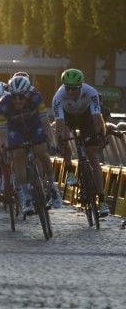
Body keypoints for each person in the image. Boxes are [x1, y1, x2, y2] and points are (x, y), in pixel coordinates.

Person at [0, 76, 60, 216]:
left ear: (28, 94)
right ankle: (26, 196)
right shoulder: (4, 104)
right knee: (17, 155)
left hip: (34, 124)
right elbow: (2, 130)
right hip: (15, 128)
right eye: (14, 97)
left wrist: (52, 142)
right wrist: (4, 147)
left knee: (41, 151)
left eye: (21, 97)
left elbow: (45, 122)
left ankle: (52, 186)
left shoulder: (36, 98)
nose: (18, 100)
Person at [53, 68, 109, 217]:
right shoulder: (59, 97)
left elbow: (97, 118)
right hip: (68, 117)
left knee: (92, 155)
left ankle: (102, 201)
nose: (71, 92)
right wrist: (61, 140)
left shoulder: (91, 93)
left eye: (74, 89)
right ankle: (70, 171)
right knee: (63, 138)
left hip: (86, 117)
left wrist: (101, 135)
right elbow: (59, 123)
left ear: (81, 86)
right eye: (68, 88)